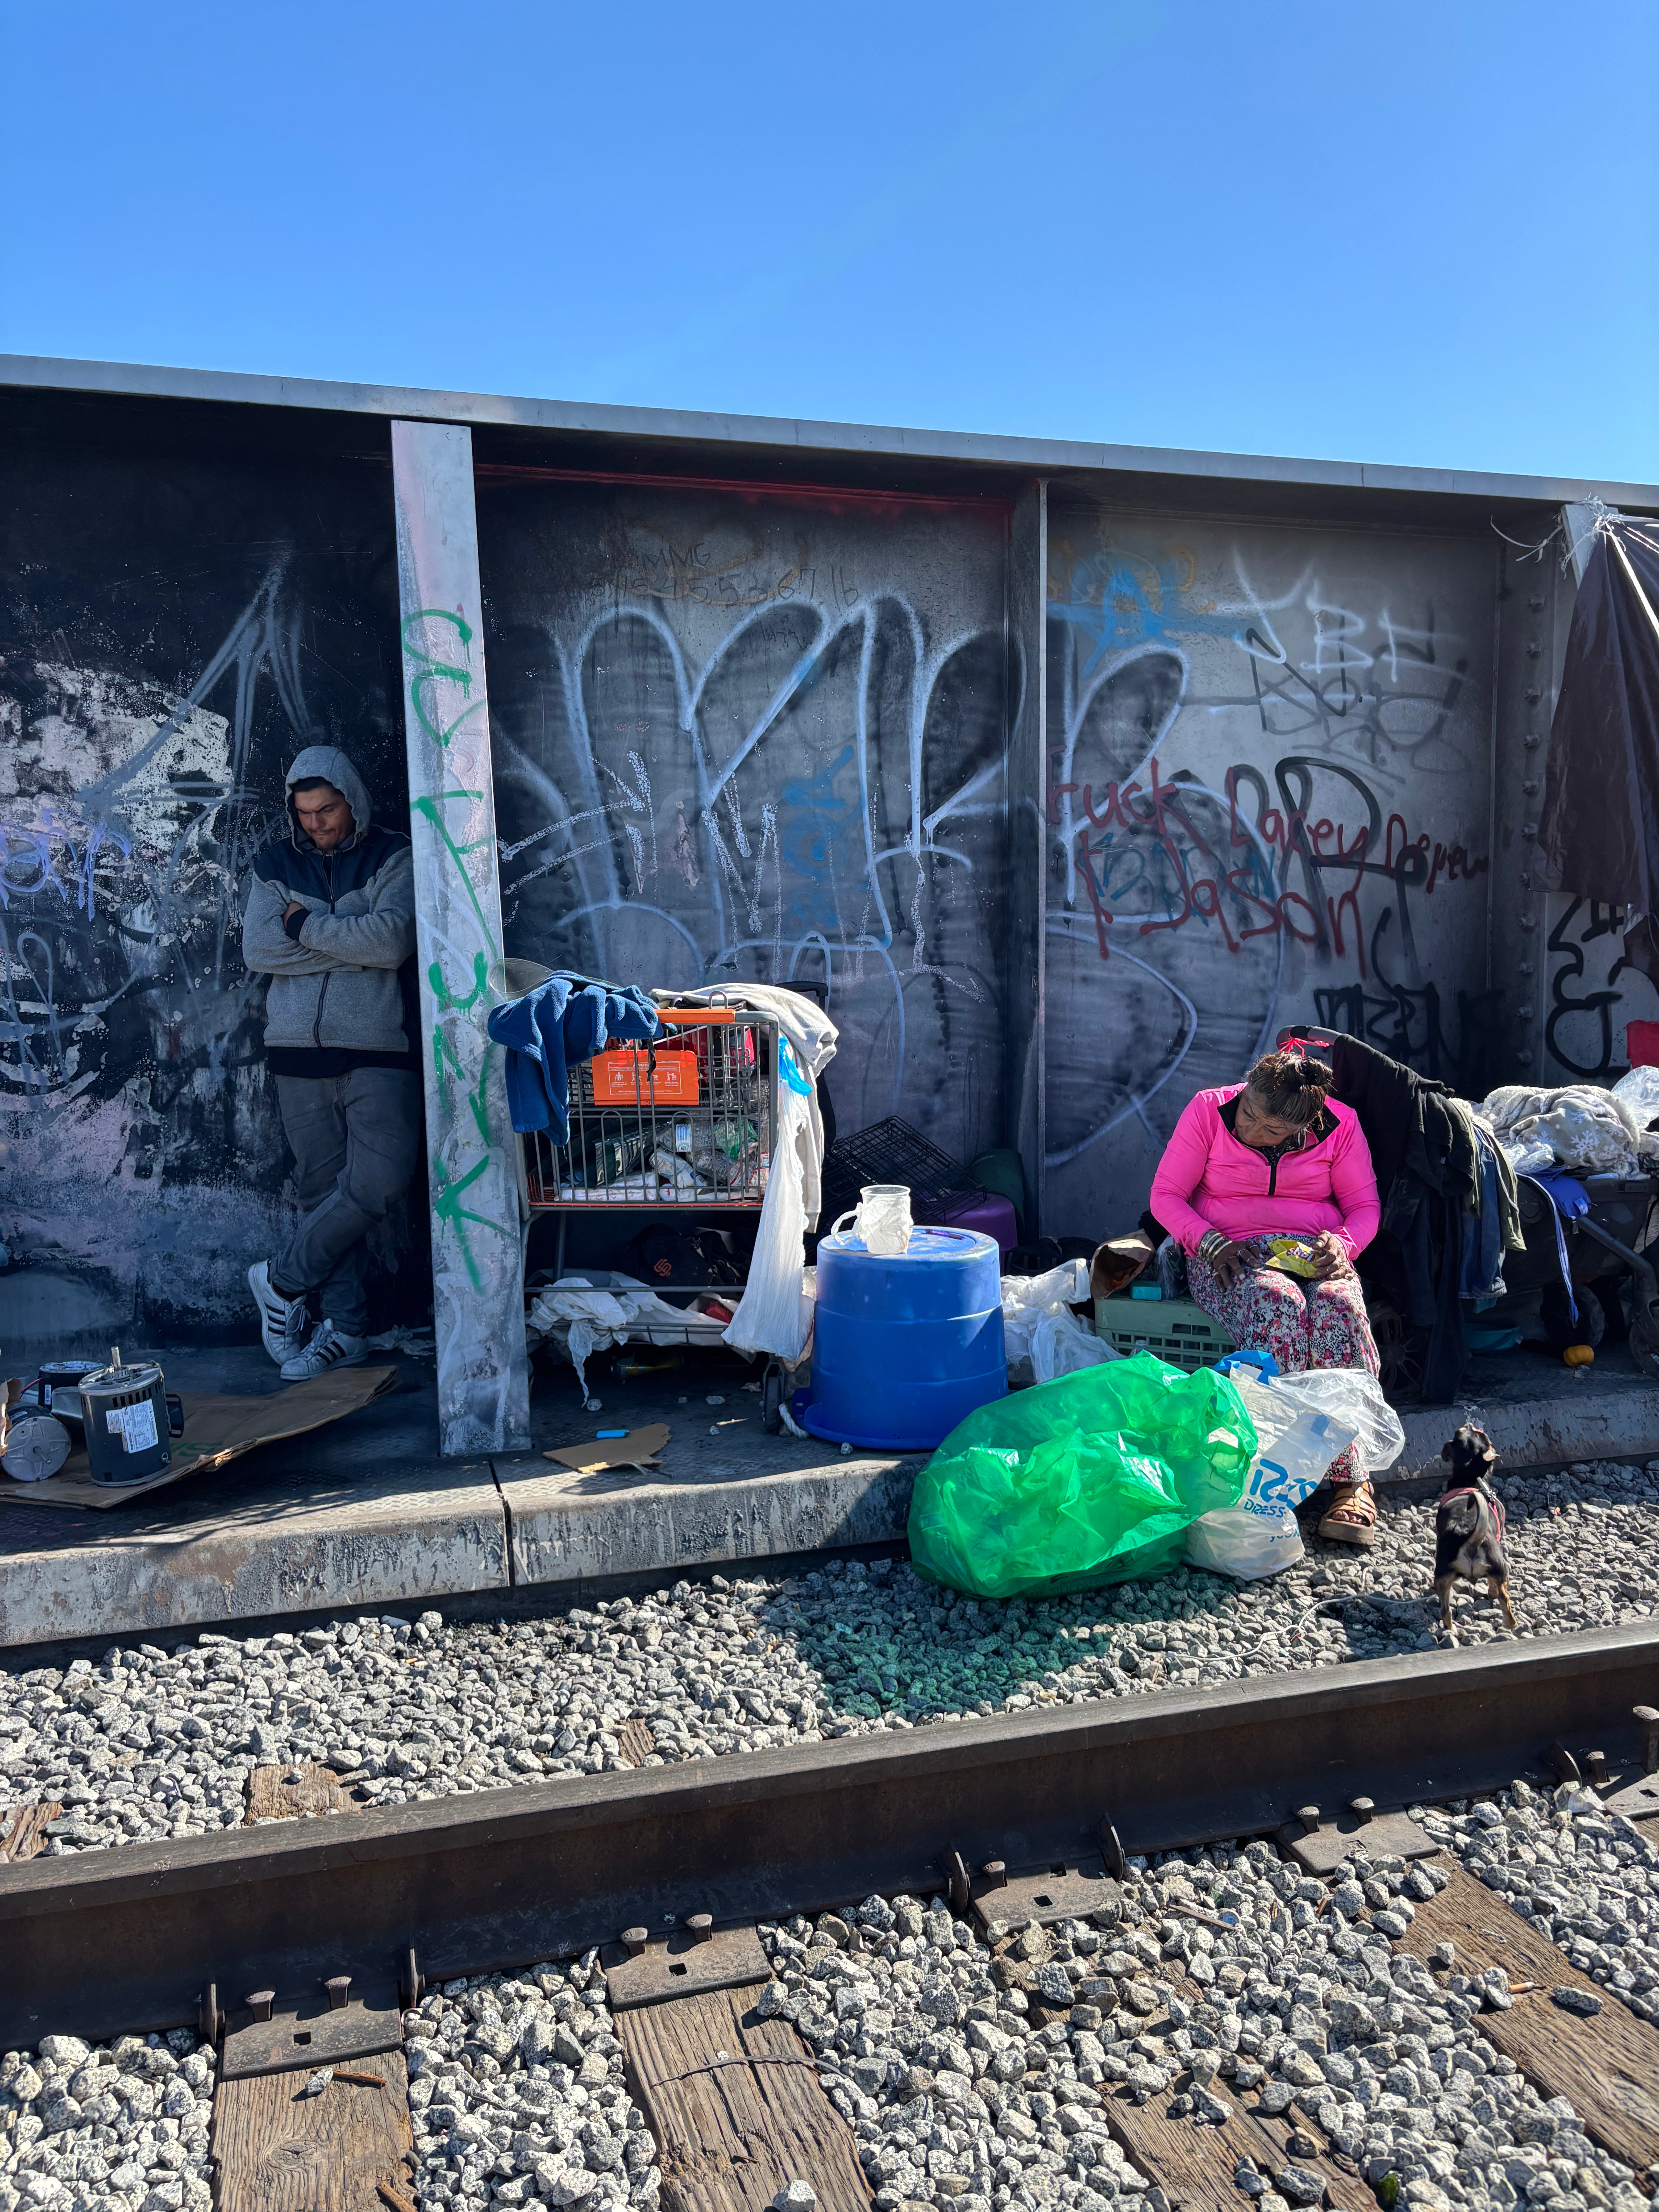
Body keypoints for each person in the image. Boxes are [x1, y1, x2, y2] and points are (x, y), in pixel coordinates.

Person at [1149, 1047, 1383, 1545]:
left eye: (1272, 1129)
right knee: (1279, 1305)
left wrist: (1342, 1247)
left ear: (1305, 1126)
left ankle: (1350, 1480)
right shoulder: (1209, 1110)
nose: (1251, 1129)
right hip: (1227, 1251)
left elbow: (1364, 1206)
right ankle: (1269, 1473)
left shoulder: (1341, 1125)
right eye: (1249, 1113)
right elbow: (1166, 1196)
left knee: (1339, 1307)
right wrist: (1209, 1242)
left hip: (1313, 1250)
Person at [242, 747, 421, 1379]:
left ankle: (282, 1281)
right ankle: (346, 1331)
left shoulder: (392, 855)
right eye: (305, 813)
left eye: (327, 810)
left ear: (353, 801)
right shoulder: (275, 864)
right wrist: (349, 940)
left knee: (380, 1180)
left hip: (378, 1049)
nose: (316, 824)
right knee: (322, 1195)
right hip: (296, 1054)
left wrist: (305, 927)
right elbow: (260, 950)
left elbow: (393, 941)